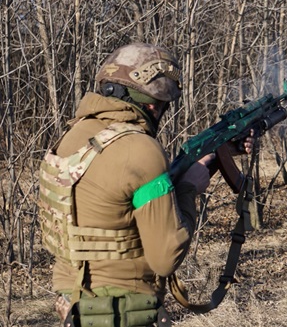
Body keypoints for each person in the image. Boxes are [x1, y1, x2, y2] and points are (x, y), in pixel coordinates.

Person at [38, 43, 253, 327]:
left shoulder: (73, 138)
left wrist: (218, 155)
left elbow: (118, 205)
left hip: (75, 306)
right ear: (153, 102)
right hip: (124, 310)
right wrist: (189, 189)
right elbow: (166, 257)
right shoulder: (140, 149)